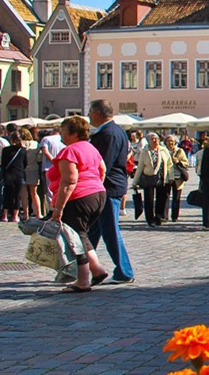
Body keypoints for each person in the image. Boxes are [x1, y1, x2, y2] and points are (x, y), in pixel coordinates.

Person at [47, 116, 110, 292]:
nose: (60, 133)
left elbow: (69, 181)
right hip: (97, 194)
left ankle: (83, 281)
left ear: (73, 133)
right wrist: (94, 185)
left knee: (74, 239)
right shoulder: (91, 148)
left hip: (78, 198)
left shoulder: (70, 151)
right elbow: (102, 169)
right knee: (81, 235)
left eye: (63, 130)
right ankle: (97, 270)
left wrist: (58, 209)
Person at [86, 100, 134, 284]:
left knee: (110, 230)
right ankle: (80, 267)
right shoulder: (113, 131)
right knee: (92, 231)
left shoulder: (108, 134)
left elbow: (102, 163)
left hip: (107, 187)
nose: (89, 115)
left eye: (90, 111)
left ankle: (124, 271)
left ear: (98, 112)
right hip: (108, 186)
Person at [0, 131, 25, 222]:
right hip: (18, 174)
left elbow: (3, 163)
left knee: (7, 195)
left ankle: (5, 216)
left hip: (8, 174)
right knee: (17, 196)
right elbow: (24, 163)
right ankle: (15, 216)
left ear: (10, 139)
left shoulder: (5, 150)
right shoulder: (22, 150)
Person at [164, 135, 190, 222]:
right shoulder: (164, 151)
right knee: (165, 196)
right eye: (168, 141)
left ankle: (175, 216)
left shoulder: (180, 151)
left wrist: (178, 162)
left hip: (178, 177)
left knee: (176, 197)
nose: (170, 143)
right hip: (167, 176)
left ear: (175, 142)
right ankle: (164, 215)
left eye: (172, 141)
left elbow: (186, 163)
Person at [20, 128, 42, 219]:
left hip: (22, 170)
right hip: (33, 169)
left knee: (24, 194)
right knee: (34, 193)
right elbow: (39, 158)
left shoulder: (20, 145)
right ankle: (38, 213)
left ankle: (26, 214)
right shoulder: (36, 144)